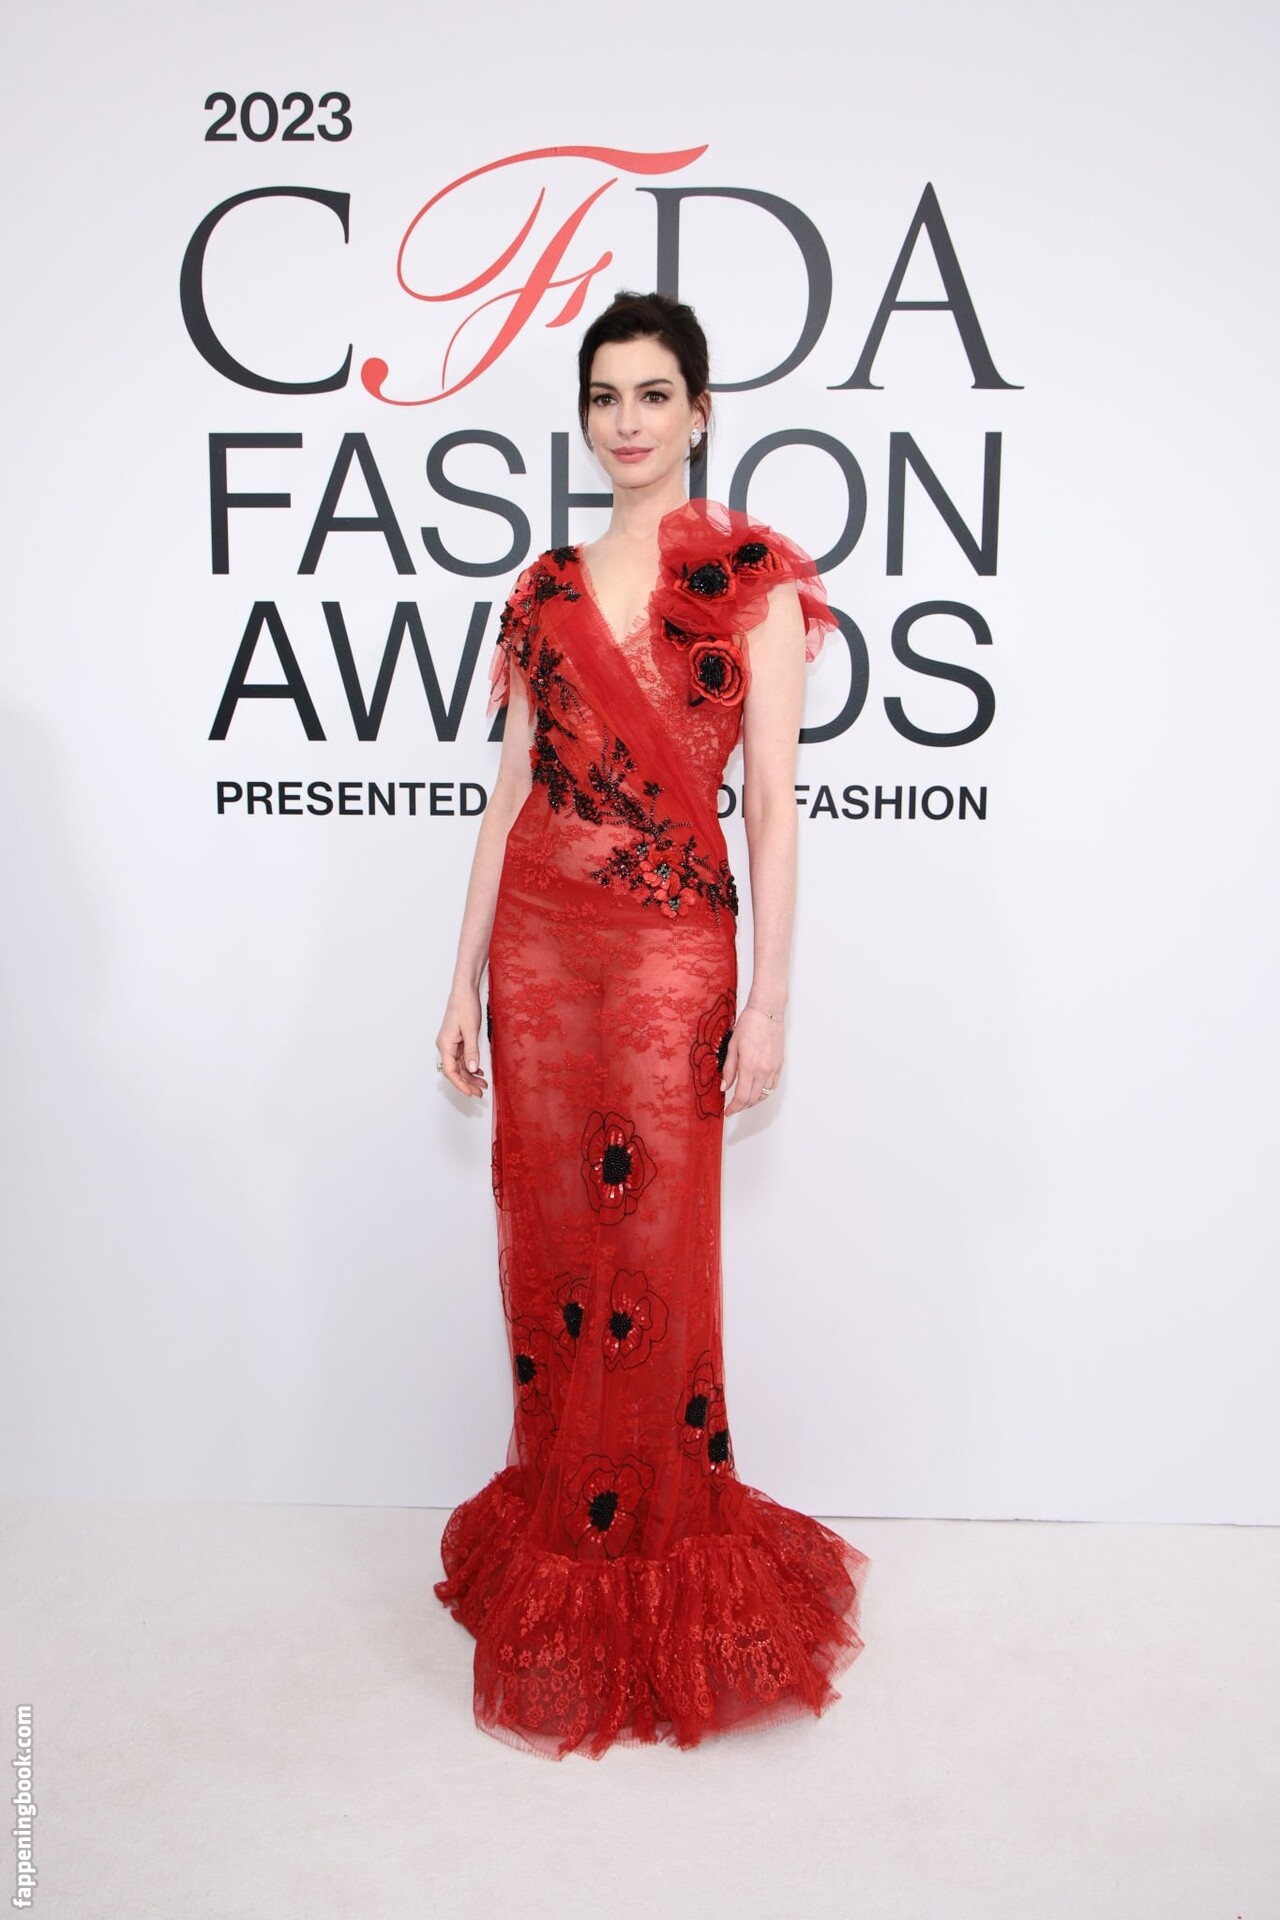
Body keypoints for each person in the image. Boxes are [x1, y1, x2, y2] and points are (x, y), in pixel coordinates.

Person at [432, 290, 869, 1760]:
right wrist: (460, 974)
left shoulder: (752, 584)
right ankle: (566, 1523)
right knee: (555, 1251)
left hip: (680, 954)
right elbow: (509, 791)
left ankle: (661, 1551)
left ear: (699, 412)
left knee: (658, 1260)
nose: (627, 421)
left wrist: (771, 1002)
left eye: (653, 394)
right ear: (586, 416)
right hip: (539, 953)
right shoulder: (545, 588)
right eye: (605, 397)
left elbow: (777, 811)